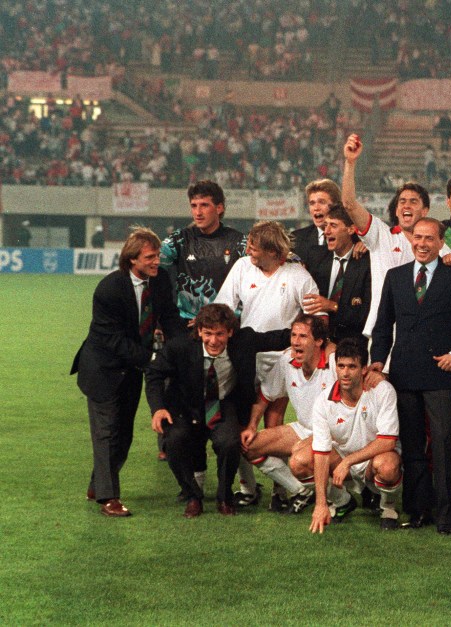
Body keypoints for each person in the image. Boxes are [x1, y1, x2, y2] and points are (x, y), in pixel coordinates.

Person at [370, 217, 451, 534]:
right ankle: (417, 510)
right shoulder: (395, 277)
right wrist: (378, 362)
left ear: (440, 240)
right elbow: (382, 326)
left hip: (441, 373)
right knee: (413, 446)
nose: (421, 243)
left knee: (444, 445)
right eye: (417, 237)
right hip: (404, 373)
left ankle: (447, 514)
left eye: (428, 238)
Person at [71, 228, 182, 517]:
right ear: (132, 259)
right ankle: (109, 498)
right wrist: (155, 358)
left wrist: (184, 348)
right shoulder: (109, 289)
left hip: (132, 369)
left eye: (157, 255)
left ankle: (98, 483)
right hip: (102, 370)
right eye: (150, 257)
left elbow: (169, 318)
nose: (157, 261)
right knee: (106, 433)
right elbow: (113, 341)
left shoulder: (160, 282)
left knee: (124, 435)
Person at [214, 220, 320, 504]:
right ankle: (248, 488)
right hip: (247, 357)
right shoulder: (242, 267)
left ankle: (281, 490)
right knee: (240, 422)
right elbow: (224, 307)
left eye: (254, 247)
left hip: (284, 357)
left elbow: (315, 319)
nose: (249, 250)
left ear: (273, 251)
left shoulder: (298, 275)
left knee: (274, 423)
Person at [145, 304, 285, 517]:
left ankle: (224, 496)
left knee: (230, 442)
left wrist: (316, 332)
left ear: (230, 331)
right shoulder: (179, 346)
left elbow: (277, 338)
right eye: (208, 333)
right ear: (199, 331)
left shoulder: (244, 340)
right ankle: (192, 496)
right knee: (173, 441)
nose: (213, 340)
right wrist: (158, 408)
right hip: (184, 406)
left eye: (220, 334)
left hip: (222, 404)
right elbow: (154, 374)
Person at [341, 134, 451, 337]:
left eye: (413, 201)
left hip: (423, 333)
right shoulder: (381, 235)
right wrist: (350, 163)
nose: (406, 205)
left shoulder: (439, 247)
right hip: (384, 333)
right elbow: (349, 204)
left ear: (425, 210)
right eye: (402, 201)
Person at [240, 314, 337, 514]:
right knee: (247, 445)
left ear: (319, 341)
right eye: (293, 335)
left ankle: (342, 499)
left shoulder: (335, 361)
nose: (295, 341)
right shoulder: (287, 359)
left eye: (303, 336)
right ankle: (300, 491)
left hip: (334, 434)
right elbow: (265, 395)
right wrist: (251, 426)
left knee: (298, 461)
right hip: (303, 428)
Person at [309, 337, 403, 533]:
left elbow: (387, 441)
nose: (345, 373)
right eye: (341, 366)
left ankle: (388, 508)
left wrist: (348, 462)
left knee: (387, 466)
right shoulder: (323, 402)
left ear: (363, 369)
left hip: (372, 461)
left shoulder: (382, 391)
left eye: (352, 367)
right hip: (343, 459)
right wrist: (320, 504)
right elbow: (321, 453)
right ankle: (342, 501)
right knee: (301, 459)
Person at [160, 180, 246, 327]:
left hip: (225, 326)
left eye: (204, 205)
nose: (198, 212)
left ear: (219, 208)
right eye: (194, 206)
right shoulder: (179, 239)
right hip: (186, 325)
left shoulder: (239, 242)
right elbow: (151, 265)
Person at [300, 205, 372, 342]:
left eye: (333, 225)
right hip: (318, 343)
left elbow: (365, 313)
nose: (326, 231)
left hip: (353, 344)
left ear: (351, 229)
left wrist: (332, 306)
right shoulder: (315, 256)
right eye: (325, 225)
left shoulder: (367, 263)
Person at [291, 178, 341, 279]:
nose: (316, 208)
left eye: (321, 202)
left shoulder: (351, 239)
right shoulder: (296, 239)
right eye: (312, 203)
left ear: (335, 205)